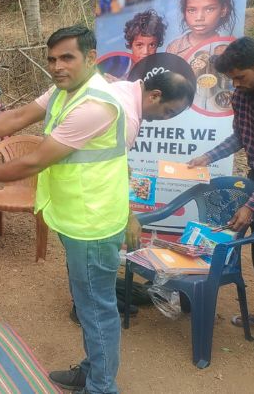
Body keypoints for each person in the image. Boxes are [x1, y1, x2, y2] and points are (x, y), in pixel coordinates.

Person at [0, 25, 128, 393]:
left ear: (90, 58)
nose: (57, 66)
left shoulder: (95, 105)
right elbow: (16, 118)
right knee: (89, 304)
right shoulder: (65, 91)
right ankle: (94, 373)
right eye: (52, 59)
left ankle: (101, 387)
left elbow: (34, 163)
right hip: (77, 216)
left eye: (67, 58)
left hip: (93, 222)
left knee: (96, 311)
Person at [188, 37, 254, 353]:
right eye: (232, 78)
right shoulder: (243, 94)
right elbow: (240, 137)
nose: (235, 84)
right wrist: (208, 156)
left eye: (240, 77)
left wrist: (251, 205)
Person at [69, 70, 197, 324]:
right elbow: (113, 173)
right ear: (155, 95)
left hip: (81, 190)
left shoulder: (126, 91)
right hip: (88, 195)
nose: (165, 119)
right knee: (95, 253)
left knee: (91, 256)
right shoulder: (125, 116)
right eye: (169, 112)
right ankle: (87, 307)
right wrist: (129, 217)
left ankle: (102, 294)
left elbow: (118, 164)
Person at [166, 0, 236, 58]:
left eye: (209, 9)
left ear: (223, 10)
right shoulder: (174, 48)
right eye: (191, 10)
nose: (199, 18)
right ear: (184, 12)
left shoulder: (228, 49)